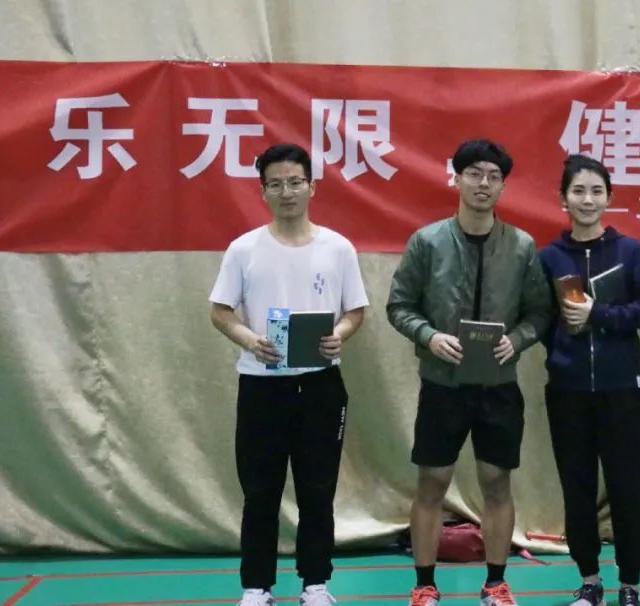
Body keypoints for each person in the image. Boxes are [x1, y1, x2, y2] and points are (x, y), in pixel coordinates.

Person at [386, 138, 552, 606]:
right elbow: (399, 306)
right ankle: (424, 585)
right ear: (456, 178)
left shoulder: (521, 246)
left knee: (497, 483)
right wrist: (429, 336)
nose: (483, 184)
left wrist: (517, 339)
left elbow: (540, 313)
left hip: (498, 387)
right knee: (432, 483)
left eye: (494, 177)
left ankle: (496, 583)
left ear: (503, 186)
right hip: (442, 385)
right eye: (474, 174)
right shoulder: (428, 242)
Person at [209, 143, 369, 606]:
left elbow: (356, 311)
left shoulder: (338, 248)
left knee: (318, 489)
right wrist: (249, 340)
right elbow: (220, 311)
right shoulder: (244, 249)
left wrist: (339, 335)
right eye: (276, 184)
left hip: (321, 386)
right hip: (262, 386)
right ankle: (256, 586)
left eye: (295, 182)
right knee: (260, 490)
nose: (287, 192)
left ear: (312, 187)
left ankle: (315, 583)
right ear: (263, 192)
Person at [538, 154, 640, 606]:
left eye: (596, 191)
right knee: (577, 488)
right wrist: (560, 348)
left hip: (622, 388)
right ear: (563, 198)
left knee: (627, 489)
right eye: (578, 191)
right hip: (567, 391)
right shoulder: (549, 258)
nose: (587, 200)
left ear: (609, 198)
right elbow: (539, 317)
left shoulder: (630, 252)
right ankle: (589, 580)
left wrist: (598, 314)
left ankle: (630, 584)